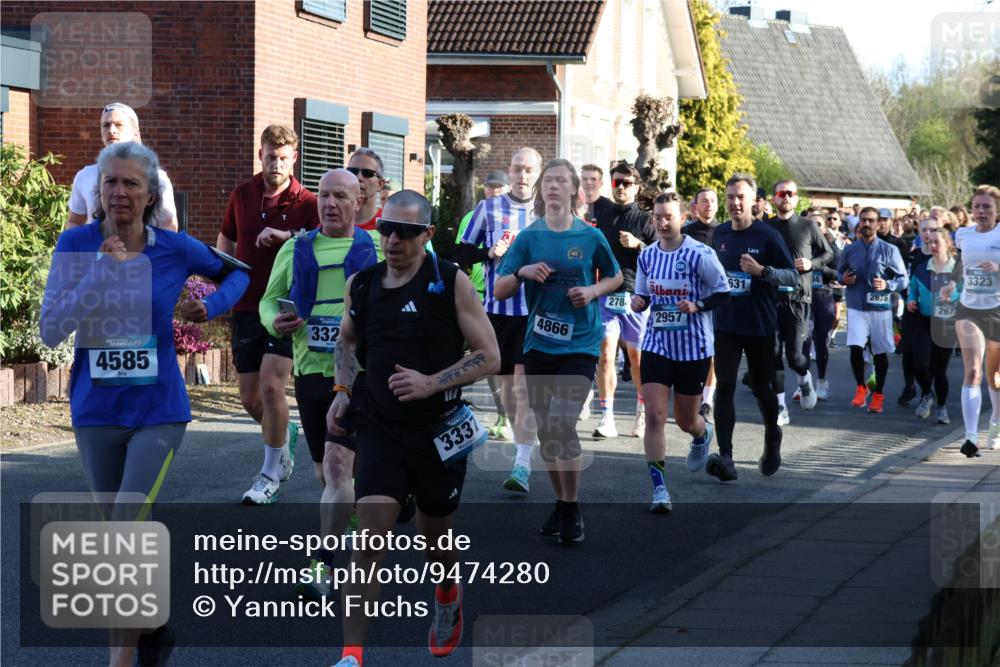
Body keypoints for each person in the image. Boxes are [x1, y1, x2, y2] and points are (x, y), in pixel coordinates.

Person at [40, 141, 248, 666]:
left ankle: (119, 661)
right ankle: (153, 625)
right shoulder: (76, 245)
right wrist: (95, 275)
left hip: (159, 411)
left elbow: (238, 271)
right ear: (97, 190)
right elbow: (50, 330)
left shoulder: (175, 248)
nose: (119, 192)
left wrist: (210, 305)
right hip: (94, 411)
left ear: (151, 193)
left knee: (124, 532)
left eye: (131, 183)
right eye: (110, 182)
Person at [327, 190, 500, 666]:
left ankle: (447, 593)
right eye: (385, 228)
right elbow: (345, 340)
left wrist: (431, 382)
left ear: (428, 234)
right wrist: (342, 392)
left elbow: (490, 355)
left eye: (404, 231)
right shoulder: (362, 284)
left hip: (438, 430)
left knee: (434, 537)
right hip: (381, 426)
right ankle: (352, 655)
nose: (392, 239)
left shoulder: (449, 281)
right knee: (370, 539)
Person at [258, 168, 377, 591]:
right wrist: (277, 321)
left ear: (358, 201)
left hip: (363, 376)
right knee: (325, 476)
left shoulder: (379, 246)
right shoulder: (296, 247)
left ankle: (322, 564)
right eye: (324, 195)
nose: (330, 204)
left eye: (341, 196)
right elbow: (268, 301)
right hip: (311, 373)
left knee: (336, 465)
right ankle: (362, 513)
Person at [494, 158, 622, 541]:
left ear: (573, 191)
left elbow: (615, 276)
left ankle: (569, 510)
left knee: (562, 423)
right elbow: (499, 289)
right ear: (541, 190)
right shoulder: (530, 237)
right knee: (549, 432)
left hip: (581, 343)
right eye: (547, 181)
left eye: (560, 181)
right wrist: (522, 272)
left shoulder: (591, 236)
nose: (552, 186)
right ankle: (566, 506)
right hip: (539, 344)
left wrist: (593, 291)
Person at [217, 124, 319, 504]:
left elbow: (323, 242)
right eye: (269, 155)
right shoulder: (242, 194)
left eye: (282, 156)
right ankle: (283, 435)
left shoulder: (307, 203)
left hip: (285, 308)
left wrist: (286, 237)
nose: (275, 162)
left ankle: (269, 474)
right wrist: (222, 274)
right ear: (260, 155)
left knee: (272, 386)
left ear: (294, 159)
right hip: (246, 303)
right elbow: (226, 236)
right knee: (248, 397)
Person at [632, 192, 729, 512]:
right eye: (657, 217)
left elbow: (723, 292)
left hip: (693, 348)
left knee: (686, 419)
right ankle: (659, 490)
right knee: (655, 417)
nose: (661, 223)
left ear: (681, 217)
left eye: (668, 217)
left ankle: (702, 434)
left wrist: (698, 304)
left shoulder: (700, 254)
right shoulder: (646, 256)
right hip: (657, 345)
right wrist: (638, 302)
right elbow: (644, 295)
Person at [453, 147, 543, 493]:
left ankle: (521, 465)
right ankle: (517, 436)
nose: (522, 176)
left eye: (529, 170)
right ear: (509, 171)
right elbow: (460, 252)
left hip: (533, 314)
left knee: (522, 387)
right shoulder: (489, 209)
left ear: (537, 174)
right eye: (517, 169)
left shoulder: (546, 214)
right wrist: (488, 254)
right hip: (498, 312)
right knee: (508, 392)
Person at [707, 173, 798, 482]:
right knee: (726, 386)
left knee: (762, 388)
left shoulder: (767, 236)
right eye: (730, 197)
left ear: (753, 201)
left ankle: (773, 438)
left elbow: (792, 277)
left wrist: (762, 271)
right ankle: (727, 457)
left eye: (740, 197)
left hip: (759, 325)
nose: (735, 203)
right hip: (726, 324)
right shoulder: (719, 235)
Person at [593, 161, 656, 438]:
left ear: (637, 187)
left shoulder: (645, 219)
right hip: (606, 295)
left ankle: (641, 415)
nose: (620, 187)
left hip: (635, 297)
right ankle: (607, 417)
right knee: (605, 355)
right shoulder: (602, 215)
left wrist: (639, 245)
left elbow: (662, 253)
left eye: (626, 183)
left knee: (636, 358)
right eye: (617, 182)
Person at [766, 180, 834, 423]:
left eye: (790, 194)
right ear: (775, 198)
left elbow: (828, 253)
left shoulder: (808, 225)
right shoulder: (766, 226)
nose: (786, 197)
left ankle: (805, 379)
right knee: (773, 353)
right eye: (781, 193)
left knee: (795, 357)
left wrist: (810, 264)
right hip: (772, 297)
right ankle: (781, 408)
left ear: (796, 199)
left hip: (799, 297)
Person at [454, 170, 512, 439]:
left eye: (499, 188)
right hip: (478, 295)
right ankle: (502, 411)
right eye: (490, 188)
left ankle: (513, 415)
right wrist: (487, 254)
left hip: (515, 302)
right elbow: (462, 255)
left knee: (512, 366)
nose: (494, 192)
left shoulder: (521, 215)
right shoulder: (474, 216)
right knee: (490, 361)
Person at [944, 185, 1000, 456]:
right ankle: (971, 437)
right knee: (974, 371)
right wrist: (950, 284)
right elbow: (960, 265)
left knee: (995, 378)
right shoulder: (963, 234)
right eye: (977, 206)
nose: (981, 211)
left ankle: (996, 424)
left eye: (987, 207)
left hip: (997, 310)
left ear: (996, 210)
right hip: (968, 308)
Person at [837, 207, 909, 413]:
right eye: (863, 220)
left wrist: (887, 285)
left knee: (879, 352)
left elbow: (903, 279)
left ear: (878, 224)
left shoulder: (889, 250)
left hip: (880, 308)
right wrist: (844, 279)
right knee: (855, 348)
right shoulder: (850, 250)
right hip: (856, 306)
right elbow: (839, 272)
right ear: (858, 223)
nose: (866, 224)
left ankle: (878, 394)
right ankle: (861, 387)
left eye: (871, 221)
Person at [66, 102, 178, 231]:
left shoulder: (156, 177)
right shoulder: (85, 176)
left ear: (135, 133)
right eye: (106, 125)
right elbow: (74, 222)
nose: (111, 130)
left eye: (119, 125)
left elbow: (169, 225)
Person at [907, 227, 959, 425]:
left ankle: (942, 408)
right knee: (919, 364)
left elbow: (965, 295)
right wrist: (911, 300)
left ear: (948, 244)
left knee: (939, 370)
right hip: (924, 320)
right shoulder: (922, 268)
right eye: (930, 243)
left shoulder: (956, 270)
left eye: (937, 242)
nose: (933, 246)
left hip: (946, 324)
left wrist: (952, 297)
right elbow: (912, 289)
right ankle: (927, 394)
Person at [682, 186, 722, 418]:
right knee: (694, 349)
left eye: (713, 201)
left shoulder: (725, 232)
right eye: (704, 200)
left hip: (715, 299)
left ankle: (708, 398)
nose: (709, 204)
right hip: (689, 298)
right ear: (695, 206)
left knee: (713, 350)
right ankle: (692, 392)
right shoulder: (685, 233)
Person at [347, 148, 386, 231]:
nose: (359, 177)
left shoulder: (388, 223)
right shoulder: (332, 223)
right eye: (353, 171)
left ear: (380, 184)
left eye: (367, 173)